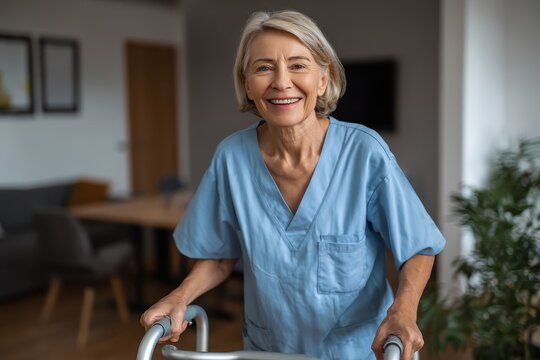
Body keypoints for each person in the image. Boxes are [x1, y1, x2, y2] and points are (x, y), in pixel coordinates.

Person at [140, 10, 445, 360]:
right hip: (270, 351)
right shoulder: (231, 158)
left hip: (358, 351)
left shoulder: (364, 152)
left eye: (298, 65)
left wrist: (403, 310)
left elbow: (419, 246)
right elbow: (220, 257)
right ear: (248, 84)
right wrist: (179, 296)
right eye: (264, 68)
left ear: (323, 80)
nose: (281, 82)